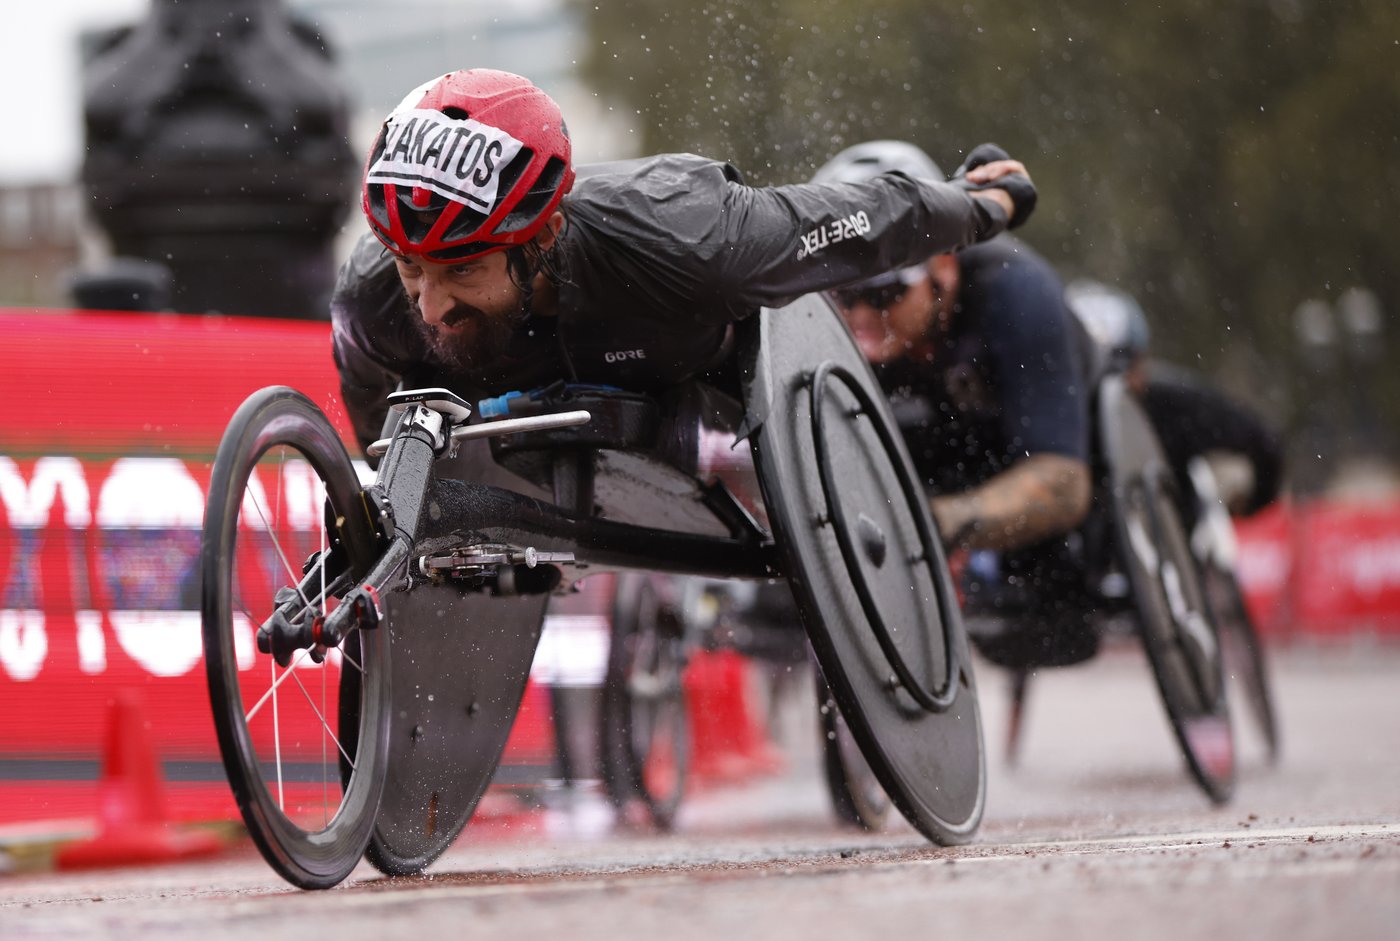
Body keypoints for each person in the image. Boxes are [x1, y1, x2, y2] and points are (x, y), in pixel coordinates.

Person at [329, 69, 1037, 454]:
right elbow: (369, 438)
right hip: (518, 420)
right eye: (411, 267)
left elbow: (854, 224)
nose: (428, 305)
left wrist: (979, 207)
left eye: (462, 270)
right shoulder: (370, 300)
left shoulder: (688, 237)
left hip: (696, 377)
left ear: (541, 236)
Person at [813, 140, 1097, 668]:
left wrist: (934, 523)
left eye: (880, 296)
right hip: (933, 444)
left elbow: (1064, 485)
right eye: (843, 296)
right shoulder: (855, 329)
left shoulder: (1016, 292)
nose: (860, 320)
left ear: (941, 267)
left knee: (1054, 603)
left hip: (1040, 445)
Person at [1065, 280, 1285, 524]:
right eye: (1086, 377)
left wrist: (1250, 505)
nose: (1106, 394)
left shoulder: (1175, 404)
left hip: (1175, 539)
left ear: (1141, 364)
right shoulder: (1054, 421)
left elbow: (1263, 442)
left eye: (1117, 373)